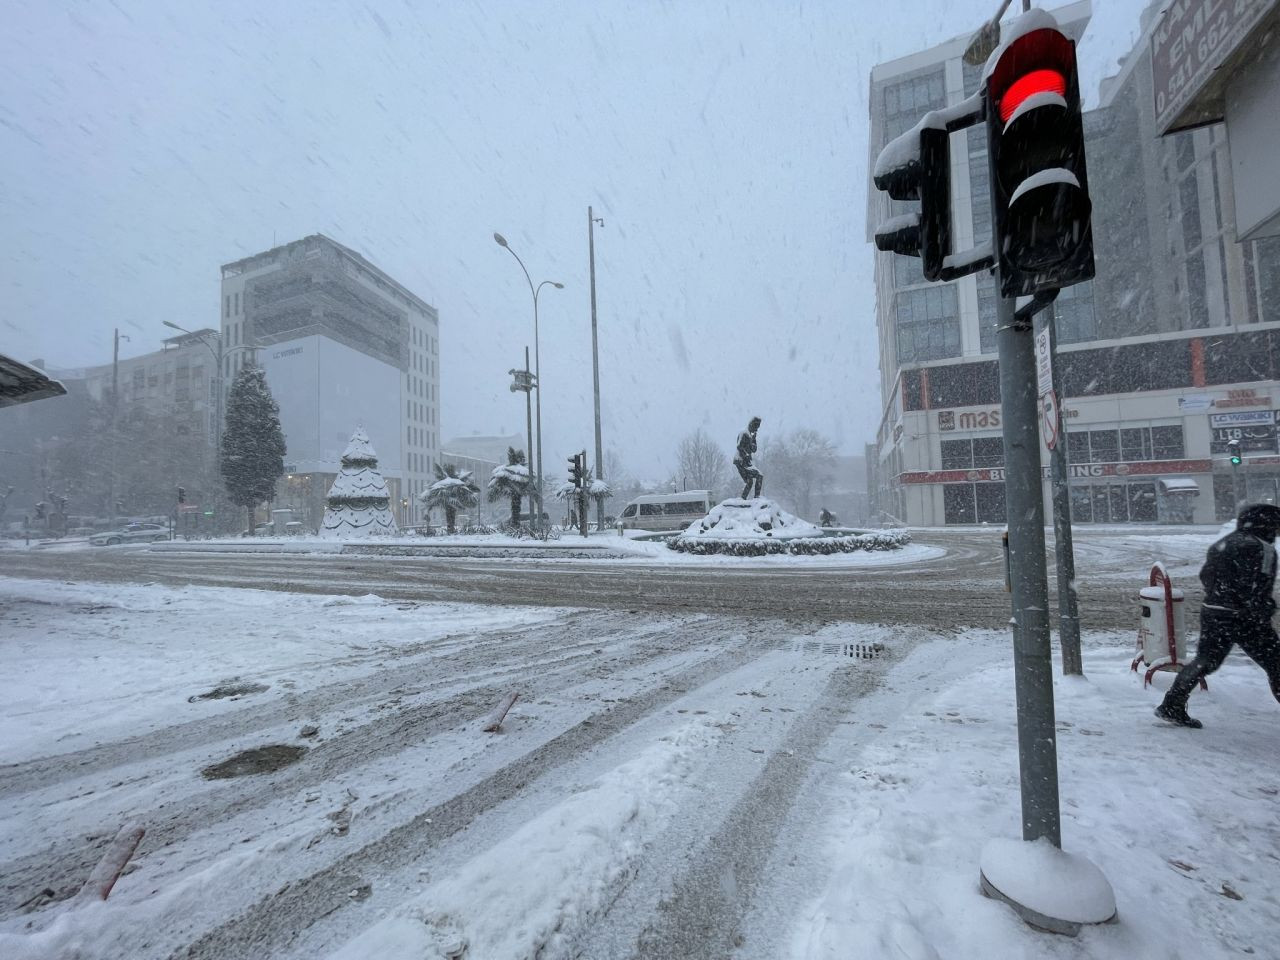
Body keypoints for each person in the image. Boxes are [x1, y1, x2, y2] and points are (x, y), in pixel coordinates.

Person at [1155, 503, 1280, 728]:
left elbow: (1206, 575)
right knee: (1277, 661)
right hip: (1246, 617)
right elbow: (1258, 585)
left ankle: (1172, 704)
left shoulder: (1222, 544)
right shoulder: (1262, 548)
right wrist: (1261, 609)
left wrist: (1220, 597)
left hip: (1214, 611)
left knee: (1205, 661)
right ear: (1267, 524)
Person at [734, 416, 764, 499]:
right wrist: (746, 455)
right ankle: (757, 497)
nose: (756, 429)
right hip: (741, 461)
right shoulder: (743, 433)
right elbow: (739, 447)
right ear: (751, 425)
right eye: (756, 427)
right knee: (759, 476)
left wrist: (754, 439)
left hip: (746, 462)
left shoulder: (750, 436)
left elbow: (754, 450)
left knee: (749, 482)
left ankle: (743, 498)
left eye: (758, 427)